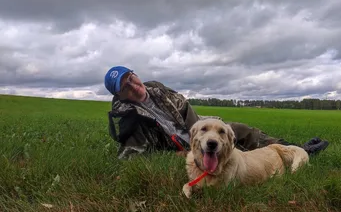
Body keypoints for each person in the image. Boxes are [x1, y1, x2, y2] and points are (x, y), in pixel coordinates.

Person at [104, 66, 329, 160]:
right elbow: (131, 157)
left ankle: (295, 149)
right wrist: (177, 155)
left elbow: (185, 108)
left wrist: (207, 130)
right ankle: (288, 156)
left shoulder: (158, 90)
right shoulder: (130, 118)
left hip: (197, 131)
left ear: (135, 74)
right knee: (234, 153)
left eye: (131, 78)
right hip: (182, 148)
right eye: (125, 87)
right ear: (121, 96)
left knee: (239, 130)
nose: (134, 86)